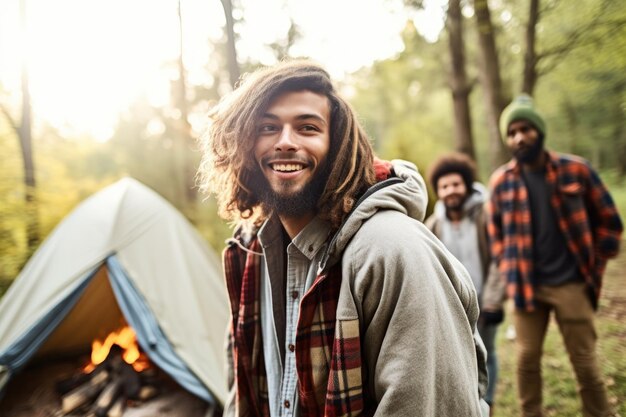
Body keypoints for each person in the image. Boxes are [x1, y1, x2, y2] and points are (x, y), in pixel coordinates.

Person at [197, 60, 489, 416]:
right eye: (268, 127)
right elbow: (241, 393)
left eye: (307, 127)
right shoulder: (250, 253)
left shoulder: (393, 251)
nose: (285, 142)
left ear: (337, 146)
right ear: (243, 143)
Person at [487, 94, 623, 417]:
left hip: (571, 284)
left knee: (586, 363)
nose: (519, 137)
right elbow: (496, 237)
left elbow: (611, 224)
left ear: (539, 131)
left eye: (526, 129)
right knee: (525, 362)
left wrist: (593, 263)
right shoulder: (501, 183)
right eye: (512, 132)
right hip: (526, 288)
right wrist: (509, 268)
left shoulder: (576, 170)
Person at [425, 152, 505, 411]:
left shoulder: (486, 216)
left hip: (486, 303)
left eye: (456, 184)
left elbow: (499, 258)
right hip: (453, 307)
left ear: (467, 184)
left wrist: (493, 301)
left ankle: (487, 402)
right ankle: (468, 402)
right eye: (444, 186)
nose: (451, 191)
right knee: (461, 356)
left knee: (487, 351)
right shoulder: (433, 224)